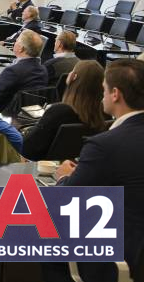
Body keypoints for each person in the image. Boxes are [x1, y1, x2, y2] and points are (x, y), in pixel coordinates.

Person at [55, 59, 144, 279]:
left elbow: (66, 199)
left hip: (124, 261)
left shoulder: (104, 145)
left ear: (115, 94)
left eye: (104, 90)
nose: (101, 96)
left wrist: (64, 177)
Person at [22, 60, 105, 160]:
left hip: (41, 166)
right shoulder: (104, 114)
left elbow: (26, 148)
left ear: (73, 77)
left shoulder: (59, 112)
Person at [0, 29, 49, 110]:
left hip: (6, 112)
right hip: (29, 112)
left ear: (21, 48)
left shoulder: (12, 71)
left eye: (16, 41)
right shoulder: (43, 70)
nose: (14, 43)